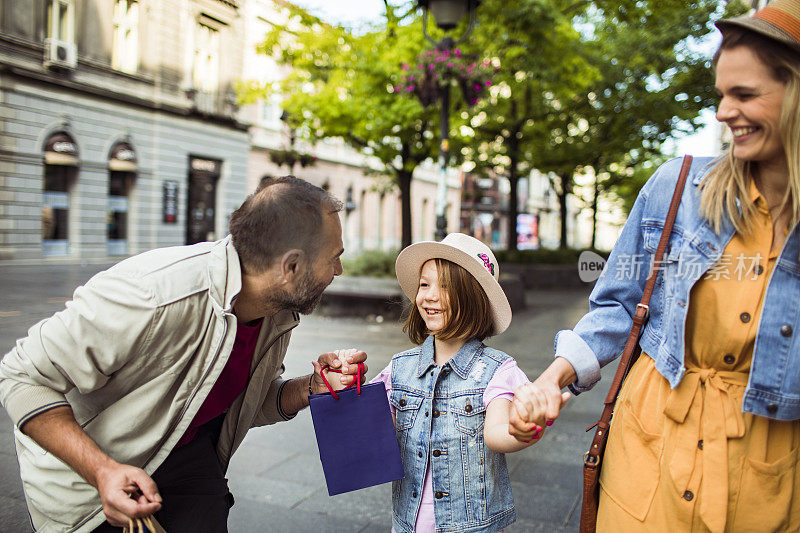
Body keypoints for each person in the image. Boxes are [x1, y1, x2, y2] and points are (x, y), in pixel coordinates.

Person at [512, 1, 800, 531]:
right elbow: (617, 304)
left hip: (768, 483)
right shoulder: (679, 187)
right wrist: (553, 379)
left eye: (745, 94)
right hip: (647, 457)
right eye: (720, 94)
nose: (723, 112)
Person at [0, 175, 367, 532]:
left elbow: (246, 402)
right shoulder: (152, 295)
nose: (339, 269)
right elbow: (19, 377)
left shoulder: (277, 310)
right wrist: (102, 471)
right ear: (291, 266)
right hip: (89, 479)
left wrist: (311, 388)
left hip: (186, 455)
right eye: (333, 257)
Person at [370, 233, 556, 533]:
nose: (429, 295)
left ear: (472, 298)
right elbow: (375, 435)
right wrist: (345, 383)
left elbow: (496, 434)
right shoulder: (399, 369)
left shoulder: (496, 370)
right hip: (407, 524)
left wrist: (524, 429)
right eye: (424, 284)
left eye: (445, 287)